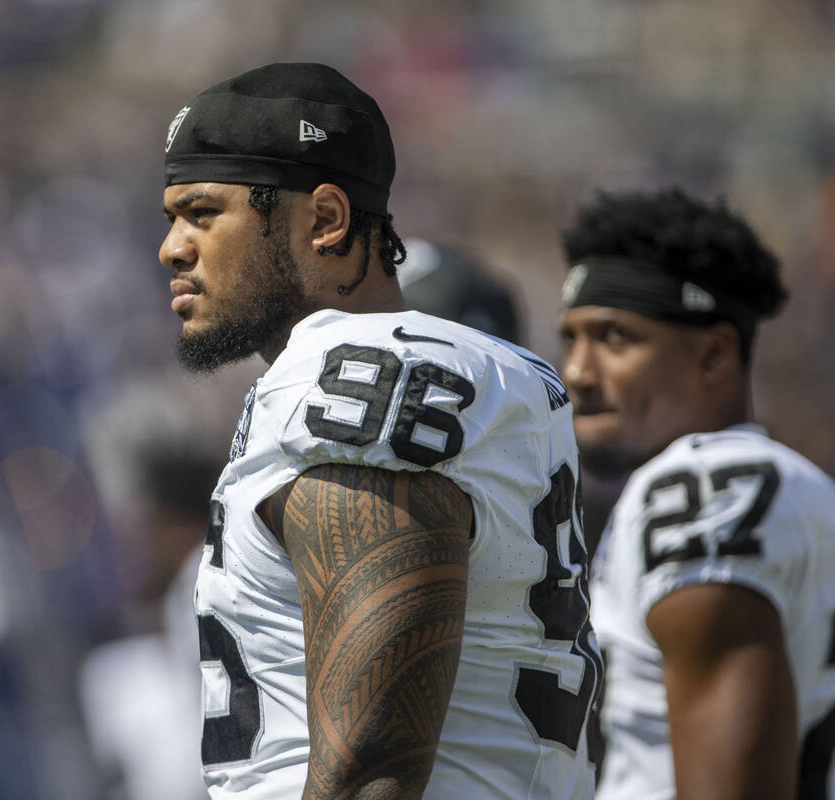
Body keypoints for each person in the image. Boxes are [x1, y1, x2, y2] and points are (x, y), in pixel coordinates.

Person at [158, 61, 600, 799]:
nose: (174, 247)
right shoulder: (479, 369)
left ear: (325, 220)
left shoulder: (360, 372)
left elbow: (371, 764)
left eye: (203, 213)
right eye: (171, 218)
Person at [556, 186, 835, 799]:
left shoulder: (707, 486)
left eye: (615, 337)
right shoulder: (783, 482)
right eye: (570, 338)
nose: (578, 372)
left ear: (713, 355)